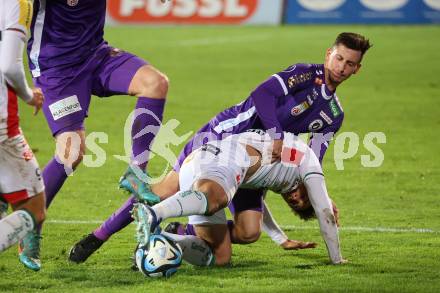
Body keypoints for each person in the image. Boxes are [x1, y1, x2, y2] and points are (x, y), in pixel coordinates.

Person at [69, 32, 371, 262]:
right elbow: (262, 95)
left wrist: (322, 199)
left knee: (249, 231)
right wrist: (278, 135)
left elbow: (315, 161)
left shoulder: (334, 115)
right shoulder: (304, 74)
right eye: (339, 58)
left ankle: (176, 234)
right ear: (329, 53)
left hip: (258, 158)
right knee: (164, 191)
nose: (342, 67)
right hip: (224, 134)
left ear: (357, 69)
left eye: (350, 64)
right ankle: (98, 237)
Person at [21, 0, 172, 268]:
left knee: (155, 83)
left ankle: (136, 173)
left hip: (96, 54)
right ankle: (30, 224)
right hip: (57, 69)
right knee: (71, 152)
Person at [133, 131, 346, 266]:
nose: (297, 200)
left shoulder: (277, 176)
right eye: (305, 199)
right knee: (217, 199)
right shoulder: (309, 166)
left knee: (219, 256)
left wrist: (281, 238)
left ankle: (159, 243)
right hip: (222, 159)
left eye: (297, 206)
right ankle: (154, 212)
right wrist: (336, 259)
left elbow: (259, 207)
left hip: (202, 164)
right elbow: (324, 212)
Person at [0, 0, 46, 271]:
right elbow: (9, 67)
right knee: (34, 208)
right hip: (3, 127)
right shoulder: (19, 2)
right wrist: (29, 96)